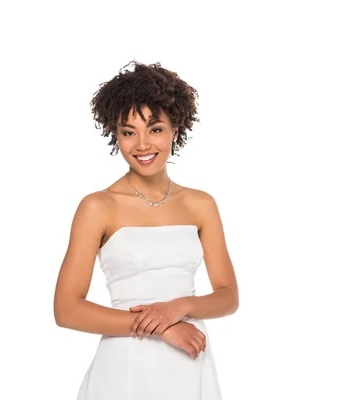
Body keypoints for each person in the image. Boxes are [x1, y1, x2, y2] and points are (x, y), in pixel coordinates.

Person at [53, 61, 238, 400]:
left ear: (175, 131)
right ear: (116, 135)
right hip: (126, 365)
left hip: (190, 360)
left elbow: (228, 296)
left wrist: (177, 308)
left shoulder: (202, 204)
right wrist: (162, 328)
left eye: (154, 129)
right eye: (128, 132)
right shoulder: (98, 206)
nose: (141, 144)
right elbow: (66, 309)